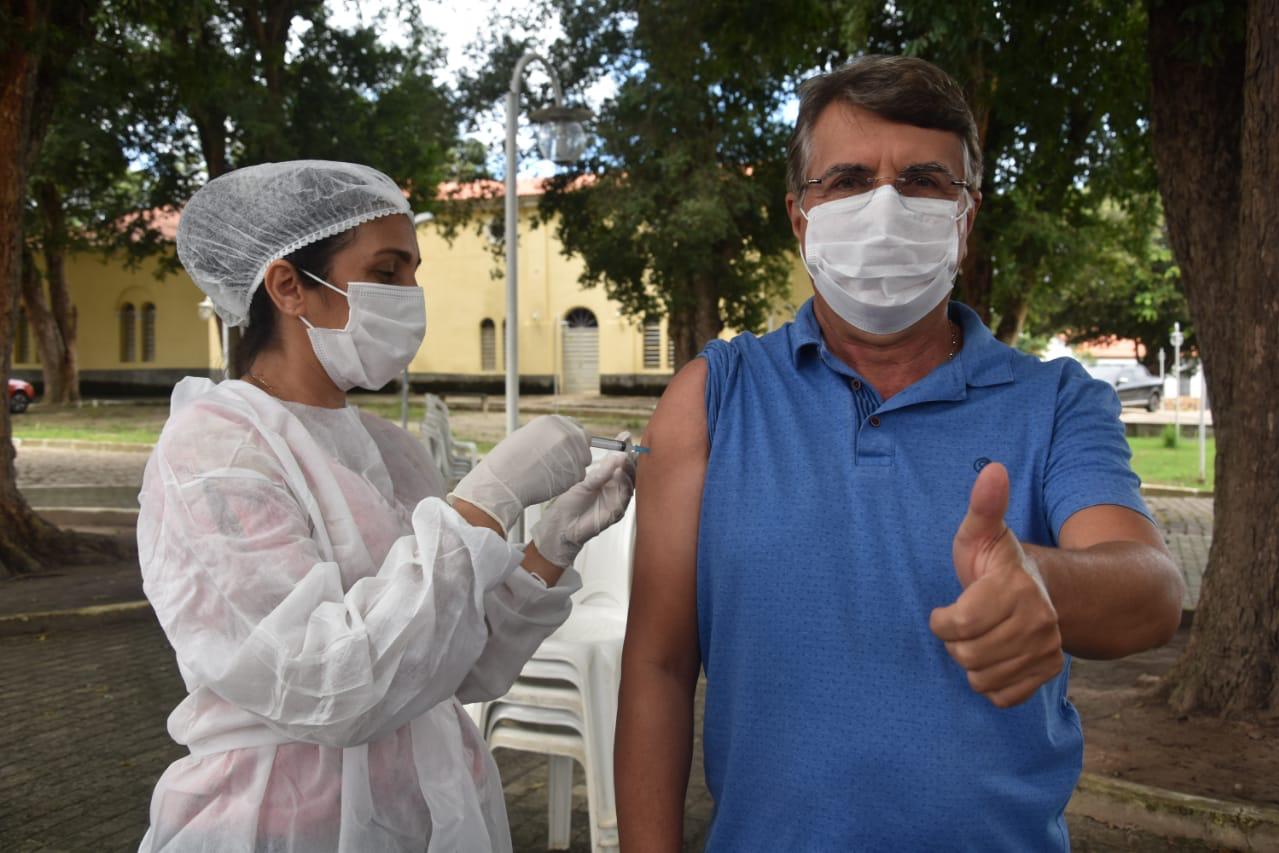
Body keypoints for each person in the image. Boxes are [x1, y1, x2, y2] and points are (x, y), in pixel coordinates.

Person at [615, 56, 1185, 851]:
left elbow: (1154, 586)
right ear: (798, 214)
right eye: (847, 180)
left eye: (923, 181)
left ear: (967, 215)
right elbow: (659, 665)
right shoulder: (712, 398)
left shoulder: (1055, 400)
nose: (884, 207)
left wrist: (1046, 582)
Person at [137, 160, 635, 852]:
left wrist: (548, 548)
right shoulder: (213, 450)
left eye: (414, 273)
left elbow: (456, 666)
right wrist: (483, 504)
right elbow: (328, 685)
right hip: (280, 822)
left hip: (431, 812)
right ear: (289, 286)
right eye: (388, 271)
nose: (411, 296)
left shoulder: (392, 452)